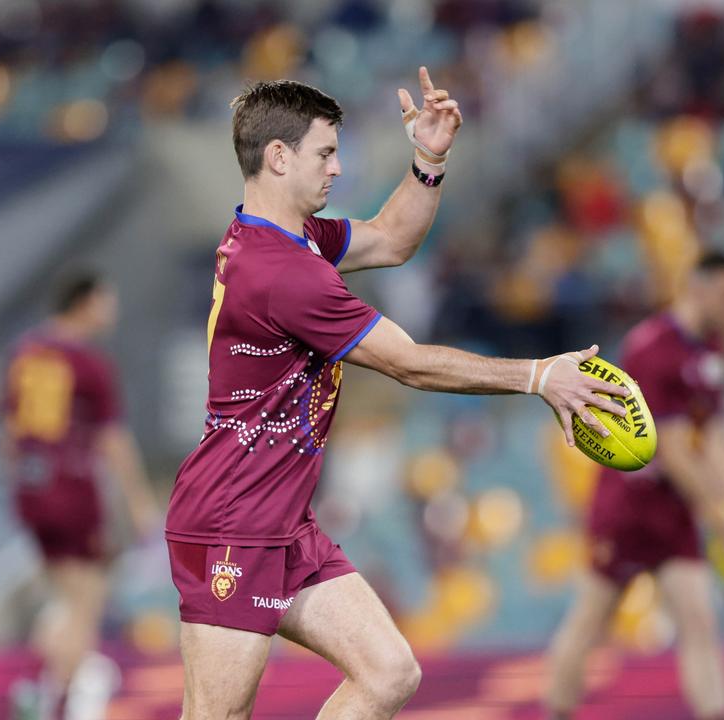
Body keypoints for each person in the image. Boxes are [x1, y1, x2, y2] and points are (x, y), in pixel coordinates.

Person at [166, 68, 627, 719]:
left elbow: (390, 237)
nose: (336, 167)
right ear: (278, 157)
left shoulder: (288, 239)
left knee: (388, 674)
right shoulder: (282, 273)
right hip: (232, 523)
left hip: (282, 523)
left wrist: (429, 158)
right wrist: (537, 375)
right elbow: (410, 365)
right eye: (325, 153)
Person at [545, 252, 724, 720]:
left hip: (673, 507)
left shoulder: (712, 348)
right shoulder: (652, 347)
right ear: (698, 288)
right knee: (590, 623)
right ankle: (557, 713)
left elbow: (716, 432)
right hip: (629, 506)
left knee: (700, 621)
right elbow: (676, 450)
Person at [0, 272, 161, 720]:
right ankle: (60, 702)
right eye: (107, 300)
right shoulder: (89, 364)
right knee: (85, 603)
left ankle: (39, 685)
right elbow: (113, 442)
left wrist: (22, 488)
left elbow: (8, 435)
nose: (113, 311)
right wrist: (140, 503)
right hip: (70, 486)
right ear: (85, 302)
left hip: (31, 490)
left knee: (61, 597)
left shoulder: (25, 354)